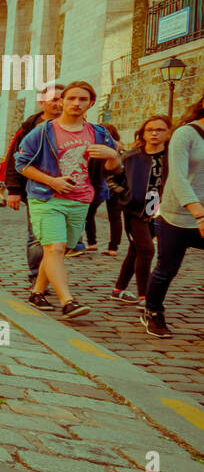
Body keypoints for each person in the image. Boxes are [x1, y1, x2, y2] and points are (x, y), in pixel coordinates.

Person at [13, 80, 122, 320]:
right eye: (71, 98)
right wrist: (51, 181)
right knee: (55, 247)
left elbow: (115, 169)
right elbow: (21, 164)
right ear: (62, 101)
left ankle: (37, 292)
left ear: (91, 103)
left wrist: (112, 154)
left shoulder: (99, 133)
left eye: (82, 99)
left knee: (60, 250)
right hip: (47, 198)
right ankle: (68, 301)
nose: (76, 103)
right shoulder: (43, 131)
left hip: (82, 199)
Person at [142, 98, 204, 338]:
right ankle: (153, 311)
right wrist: (199, 213)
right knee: (167, 269)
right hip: (178, 215)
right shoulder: (185, 134)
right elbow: (177, 177)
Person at [4, 82, 66, 298]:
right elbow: (14, 160)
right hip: (37, 190)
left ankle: (45, 276)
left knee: (60, 239)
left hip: (67, 192)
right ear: (42, 102)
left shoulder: (74, 126)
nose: (59, 103)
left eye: (62, 98)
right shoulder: (29, 129)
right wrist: (13, 190)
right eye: (54, 99)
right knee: (37, 236)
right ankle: (35, 277)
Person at [112, 115, 170, 305]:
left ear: (168, 133)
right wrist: (125, 195)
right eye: (150, 129)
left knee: (136, 249)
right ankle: (144, 296)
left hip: (160, 207)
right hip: (135, 209)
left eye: (160, 129)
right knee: (146, 249)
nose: (154, 133)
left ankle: (118, 288)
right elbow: (110, 179)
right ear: (143, 134)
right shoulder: (130, 157)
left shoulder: (172, 157)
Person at [80, 123, 123, 257]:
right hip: (113, 187)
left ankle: (93, 243)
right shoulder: (117, 150)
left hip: (102, 186)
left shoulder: (101, 150)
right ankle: (112, 247)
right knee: (113, 218)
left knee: (90, 214)